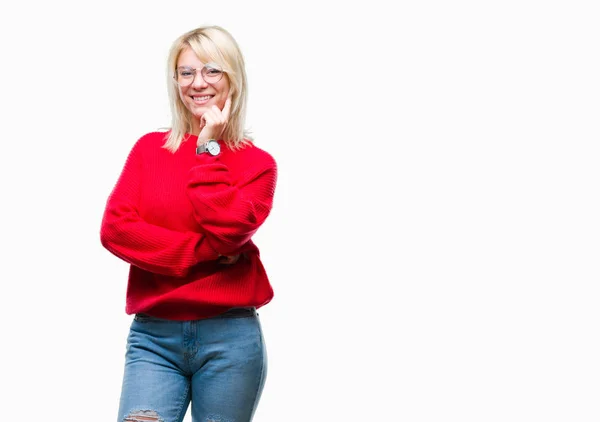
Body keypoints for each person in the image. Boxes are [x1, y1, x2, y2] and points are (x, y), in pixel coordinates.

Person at [100, 25, 277, 422]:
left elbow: (230, 228)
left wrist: (206, 148)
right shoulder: (149, 149)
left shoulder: (258, 164)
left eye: (212, 70)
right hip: (153, 337)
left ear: (233, 77)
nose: (198, 83)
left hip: (230, 338)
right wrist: (209, 252)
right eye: (186, 72)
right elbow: (115, 230)